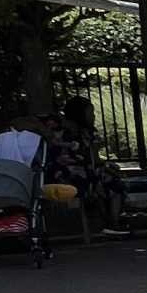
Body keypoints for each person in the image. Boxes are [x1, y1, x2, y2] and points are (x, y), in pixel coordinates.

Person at [46, 96, 128, 232]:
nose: (93, 116)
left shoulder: (84, 132)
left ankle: (113, 221)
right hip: (63, 173)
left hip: (84, 169)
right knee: (93, 180)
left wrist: (106, 165)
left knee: (111, 178)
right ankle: (105, 221)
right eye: (91, 112)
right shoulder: (58, 131)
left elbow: (91, 159)